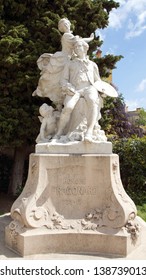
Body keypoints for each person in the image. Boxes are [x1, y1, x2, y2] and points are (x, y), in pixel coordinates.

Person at [33, 18, 94, 109]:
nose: (65, 25)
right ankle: (43, 91)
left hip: (69, 59)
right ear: (62, 28)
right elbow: (78, 41)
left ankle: (59, 104)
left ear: (69, 24)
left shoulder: (69, 35)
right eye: (63, 25)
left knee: (59, 81)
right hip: (64, 58)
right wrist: (90, 38)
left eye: (66, 23)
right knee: (55, 79)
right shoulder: (66, 35)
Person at [55, 39, 103, 142]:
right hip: (74, 89)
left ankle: (89, 132)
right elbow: (63, 80)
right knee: (68, 108)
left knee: (93, 101)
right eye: (75, 47)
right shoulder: (70, 64)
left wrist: (102, 90)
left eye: (79, 46)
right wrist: (68, 87)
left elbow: (98, 80)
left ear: (85, 48)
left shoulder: (92, 65)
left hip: (89, 88)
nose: (76, 48)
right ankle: (59, 132)